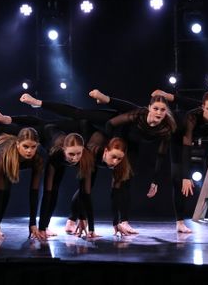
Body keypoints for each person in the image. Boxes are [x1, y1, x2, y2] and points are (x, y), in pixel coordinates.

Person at [21, 91, 176, 234]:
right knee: (79, 115)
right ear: (149, 108)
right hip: (111, 132)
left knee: (122, 182)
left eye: (163, 110)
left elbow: (161, 154)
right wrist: (110, 144)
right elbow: (114, 120)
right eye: (156, 108)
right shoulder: (137, 114)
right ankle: (39, 102)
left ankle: (121, 221)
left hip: (126, 146)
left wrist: (155, 180)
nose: (159, 113)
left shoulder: (166, 127)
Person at [152, 89, 208, 233]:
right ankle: (180, 222)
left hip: (193, 140)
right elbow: (186, 146)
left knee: (184, 179)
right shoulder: (192, 116)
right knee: (178, 180)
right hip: (177, 138)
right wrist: (186, 176)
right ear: (203, 107)